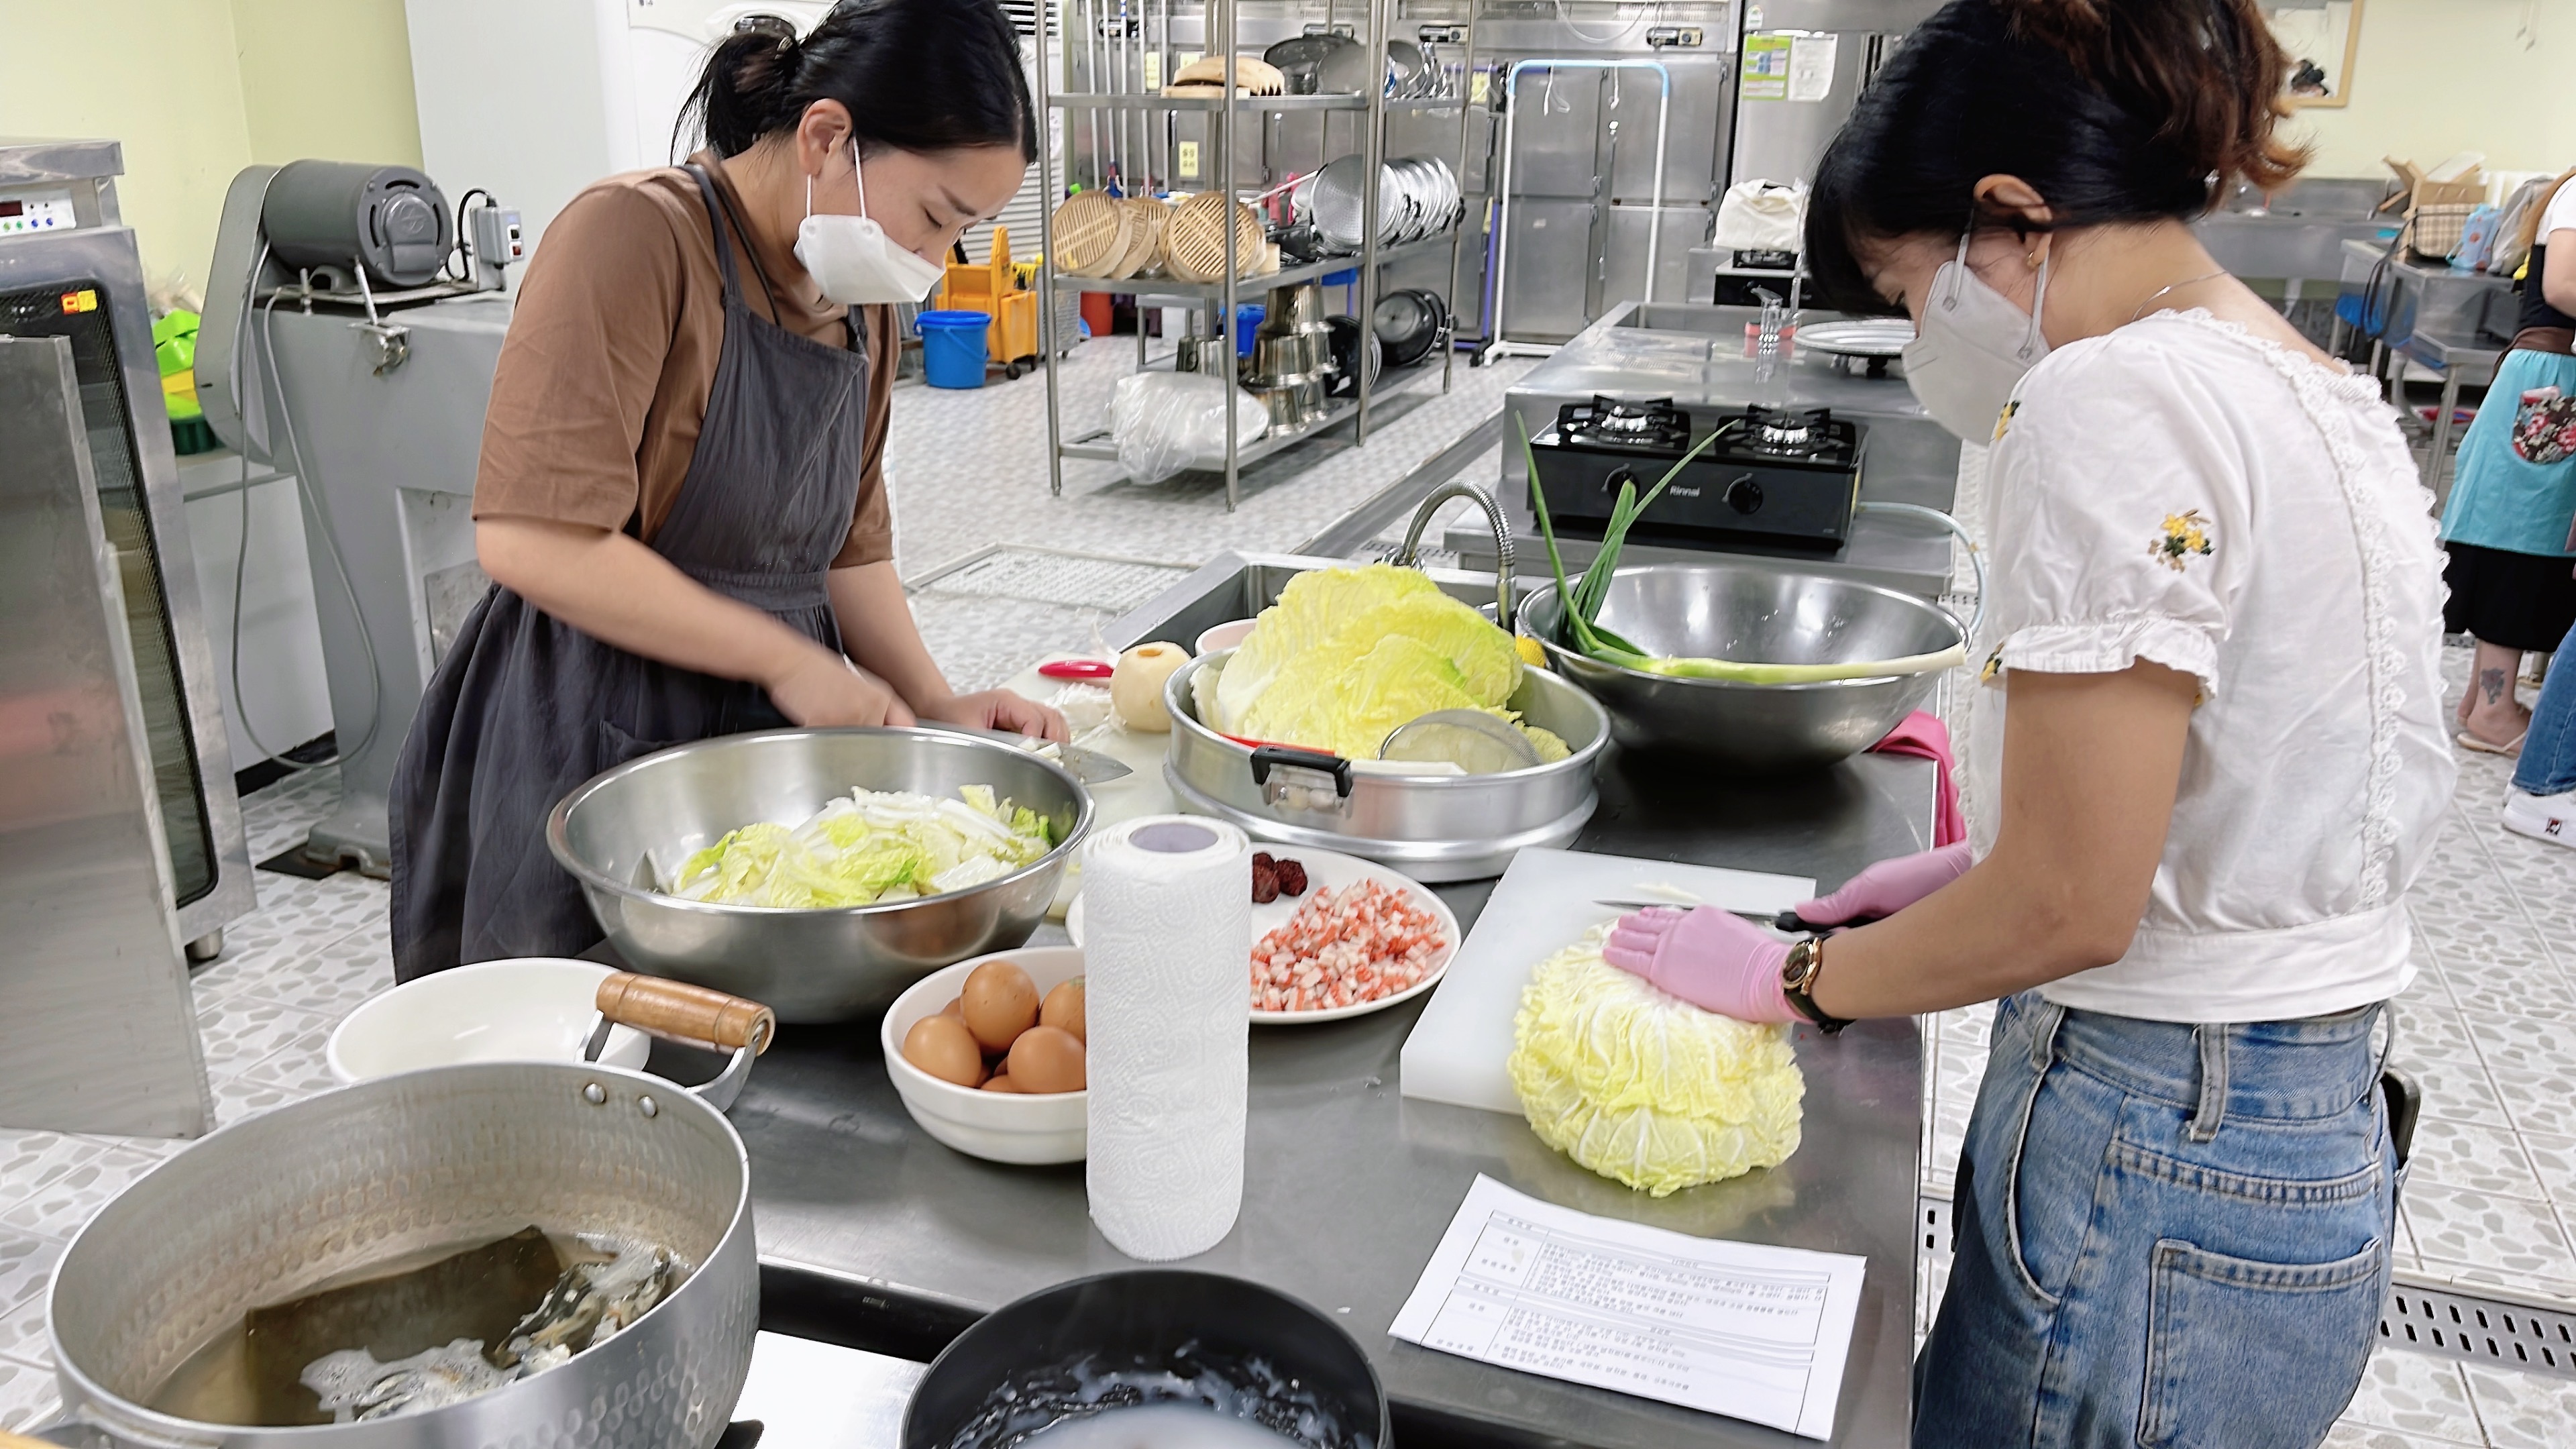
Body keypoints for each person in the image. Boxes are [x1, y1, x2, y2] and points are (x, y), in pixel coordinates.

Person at [1599, 2, 2455, 1444]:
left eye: (1913, 287)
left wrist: (1786, 980)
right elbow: (2231, 791)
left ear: (2009, 217)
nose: (1924, 335)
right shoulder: (2307, 385)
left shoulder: (2109, 396)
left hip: (2153, 1136)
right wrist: (1960, 867)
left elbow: (2074, 901)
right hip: (2304, 1132)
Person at [390, 0, 1066, 981]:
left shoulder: (857, 309)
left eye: (961, 233)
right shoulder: (635, 239)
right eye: (934, 217)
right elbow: (533, 540)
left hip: (771, 758)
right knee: (597, 1046)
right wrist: (785, 662)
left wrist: (930, 703)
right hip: (591, 731)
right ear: (829, 137)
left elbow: (848, 551)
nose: (934, 264)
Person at [2437, 165, 2576, 755]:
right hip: (2554, 384)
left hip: (2550, 385)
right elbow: (2564, 287)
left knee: (2525, 538)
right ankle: (2494, 713)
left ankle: (2484, 702)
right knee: (2524, 544)